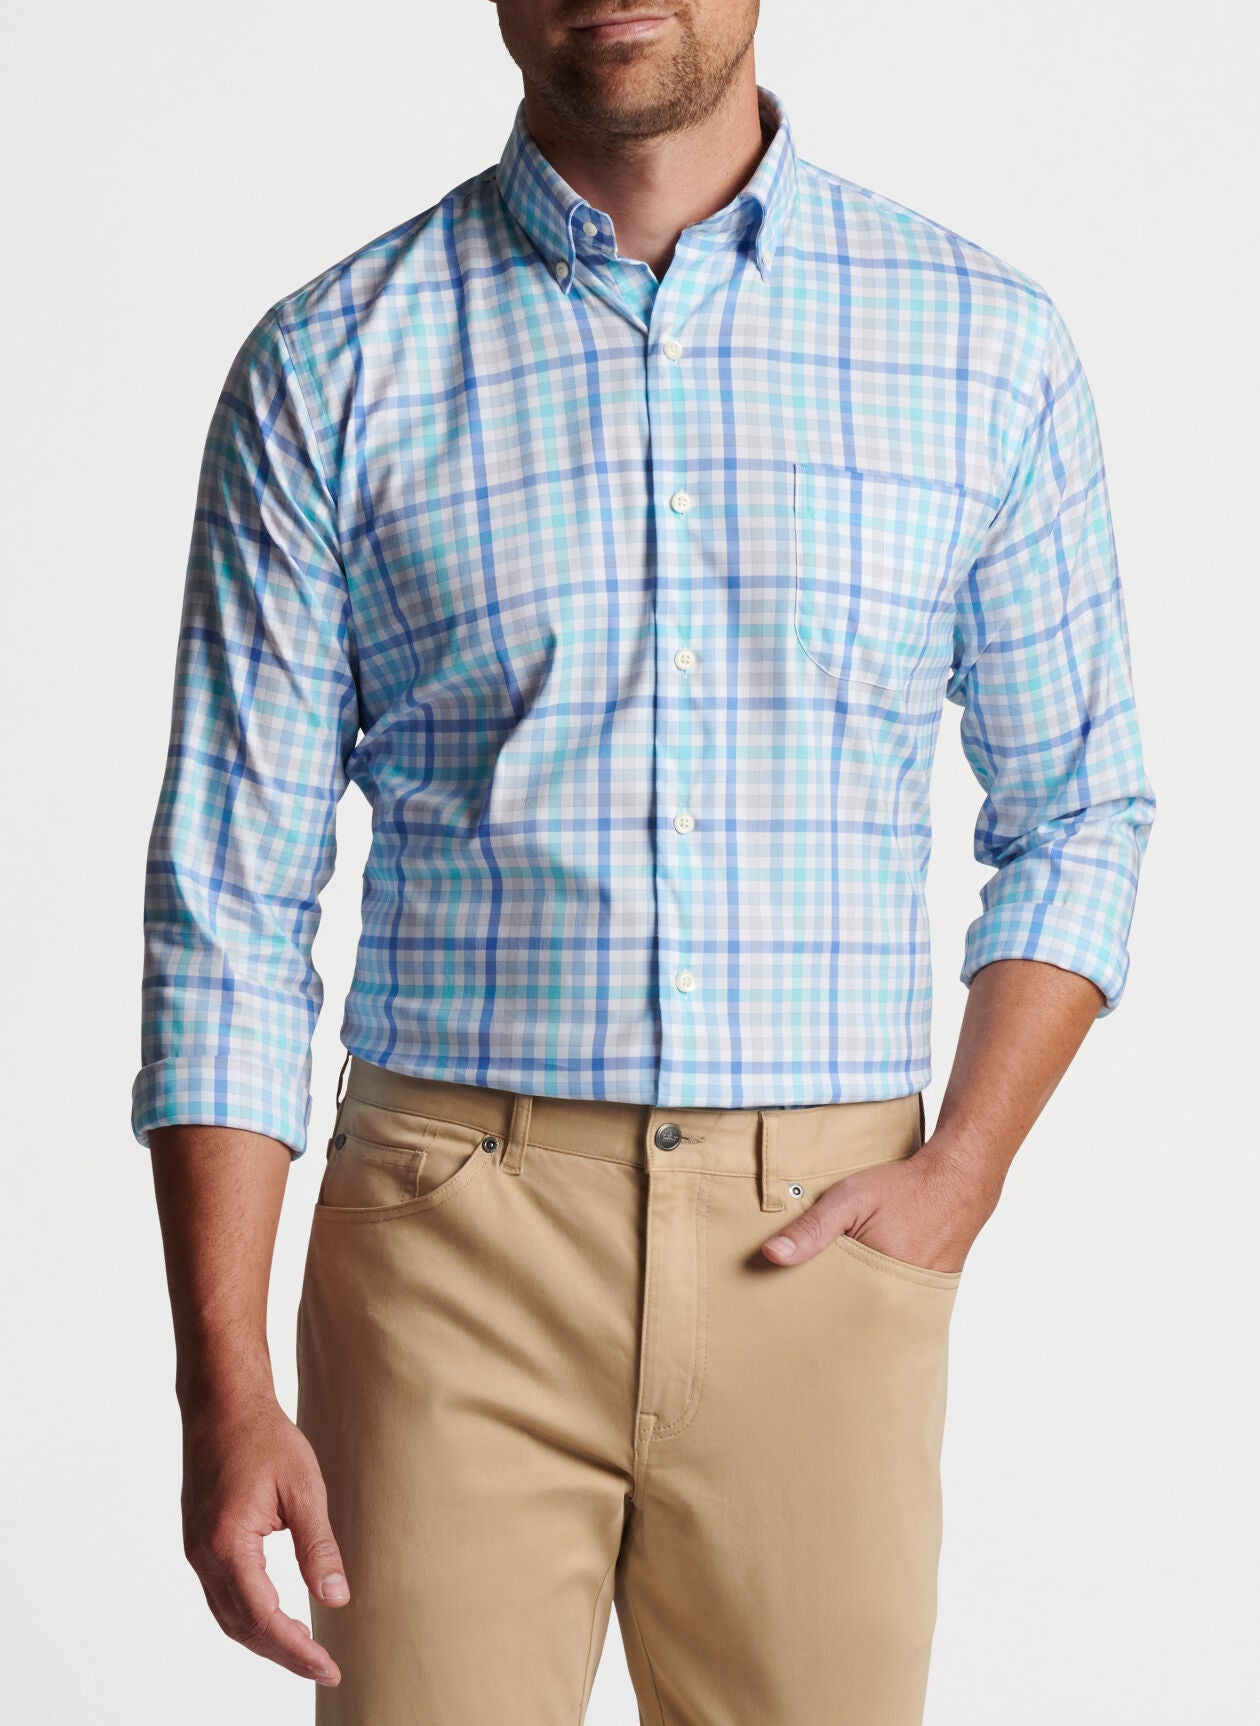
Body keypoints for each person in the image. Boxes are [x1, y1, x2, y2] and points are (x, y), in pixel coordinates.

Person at [133, 4, 1155, 1722]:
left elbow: (1080, 804)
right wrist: (220, 1384)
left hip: (821, 1240)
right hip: (449, 1244)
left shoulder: (983, 344)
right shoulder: (332, 362)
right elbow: (230, 893)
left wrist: (962, 1171)